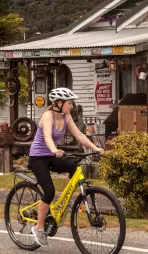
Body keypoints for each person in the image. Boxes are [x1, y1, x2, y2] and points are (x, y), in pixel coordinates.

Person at [28, 87, 104, 247]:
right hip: (38, 158)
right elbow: (47, 136)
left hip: (52, 155)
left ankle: (64, 201)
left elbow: (79, 135)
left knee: (73, 166)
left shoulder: (66, 116)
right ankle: (39, 227)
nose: (72, 106)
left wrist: (95, 148)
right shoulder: (48, 116)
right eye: (70, 103)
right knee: (49, 192)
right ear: (59, 103)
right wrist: (54, 150)